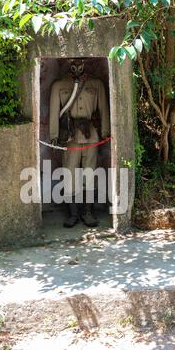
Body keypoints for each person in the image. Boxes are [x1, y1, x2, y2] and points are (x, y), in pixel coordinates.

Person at [49, 59, 110, 227]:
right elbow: (54, 111)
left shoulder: (95, 84)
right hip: (70, 136)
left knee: (89, 174)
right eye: (73, 61)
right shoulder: (59, 85)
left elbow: (103, 109)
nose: (76, 64)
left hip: (90, 135)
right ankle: (73, 213)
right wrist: (54, 135)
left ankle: (88, 212)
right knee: (70, 175)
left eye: (80, 61)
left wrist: (105, 132)